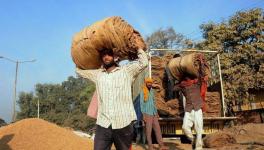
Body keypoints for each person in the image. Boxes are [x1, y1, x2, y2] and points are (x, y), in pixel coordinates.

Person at [76, 48, 148, 150]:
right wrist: (80, 56)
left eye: (109, 54)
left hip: (123, 122)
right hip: (103, 123)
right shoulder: (98, 74)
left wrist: (137, 48)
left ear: (115, 57)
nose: (106, 57)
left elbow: (144, 62)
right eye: (103, 55)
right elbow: (79, 71)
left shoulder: (126, 71)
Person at [174, 76, 206, 150]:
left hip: (197, 108)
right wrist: (180, 83)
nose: (187, 79)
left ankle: (198, 147)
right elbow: (174, 88)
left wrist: (201, 65)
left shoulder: (197, 83)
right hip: (189, 109)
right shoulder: (182, 86)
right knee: (184, 127)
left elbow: (202, 76)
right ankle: (193, 139)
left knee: (199, 129)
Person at [140, 78, 168, 150]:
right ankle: (150, 146)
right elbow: (141, 104)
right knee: (148, 131)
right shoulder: (143, 91)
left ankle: (161, 145)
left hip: (154, 113)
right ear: (146, 83)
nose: (149, 84)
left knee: (158, 129)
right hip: (147, 113)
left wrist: (156, 113)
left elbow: (154, 103)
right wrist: (143, 115)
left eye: (150, 83)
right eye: (148, 83)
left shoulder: (152, 91)